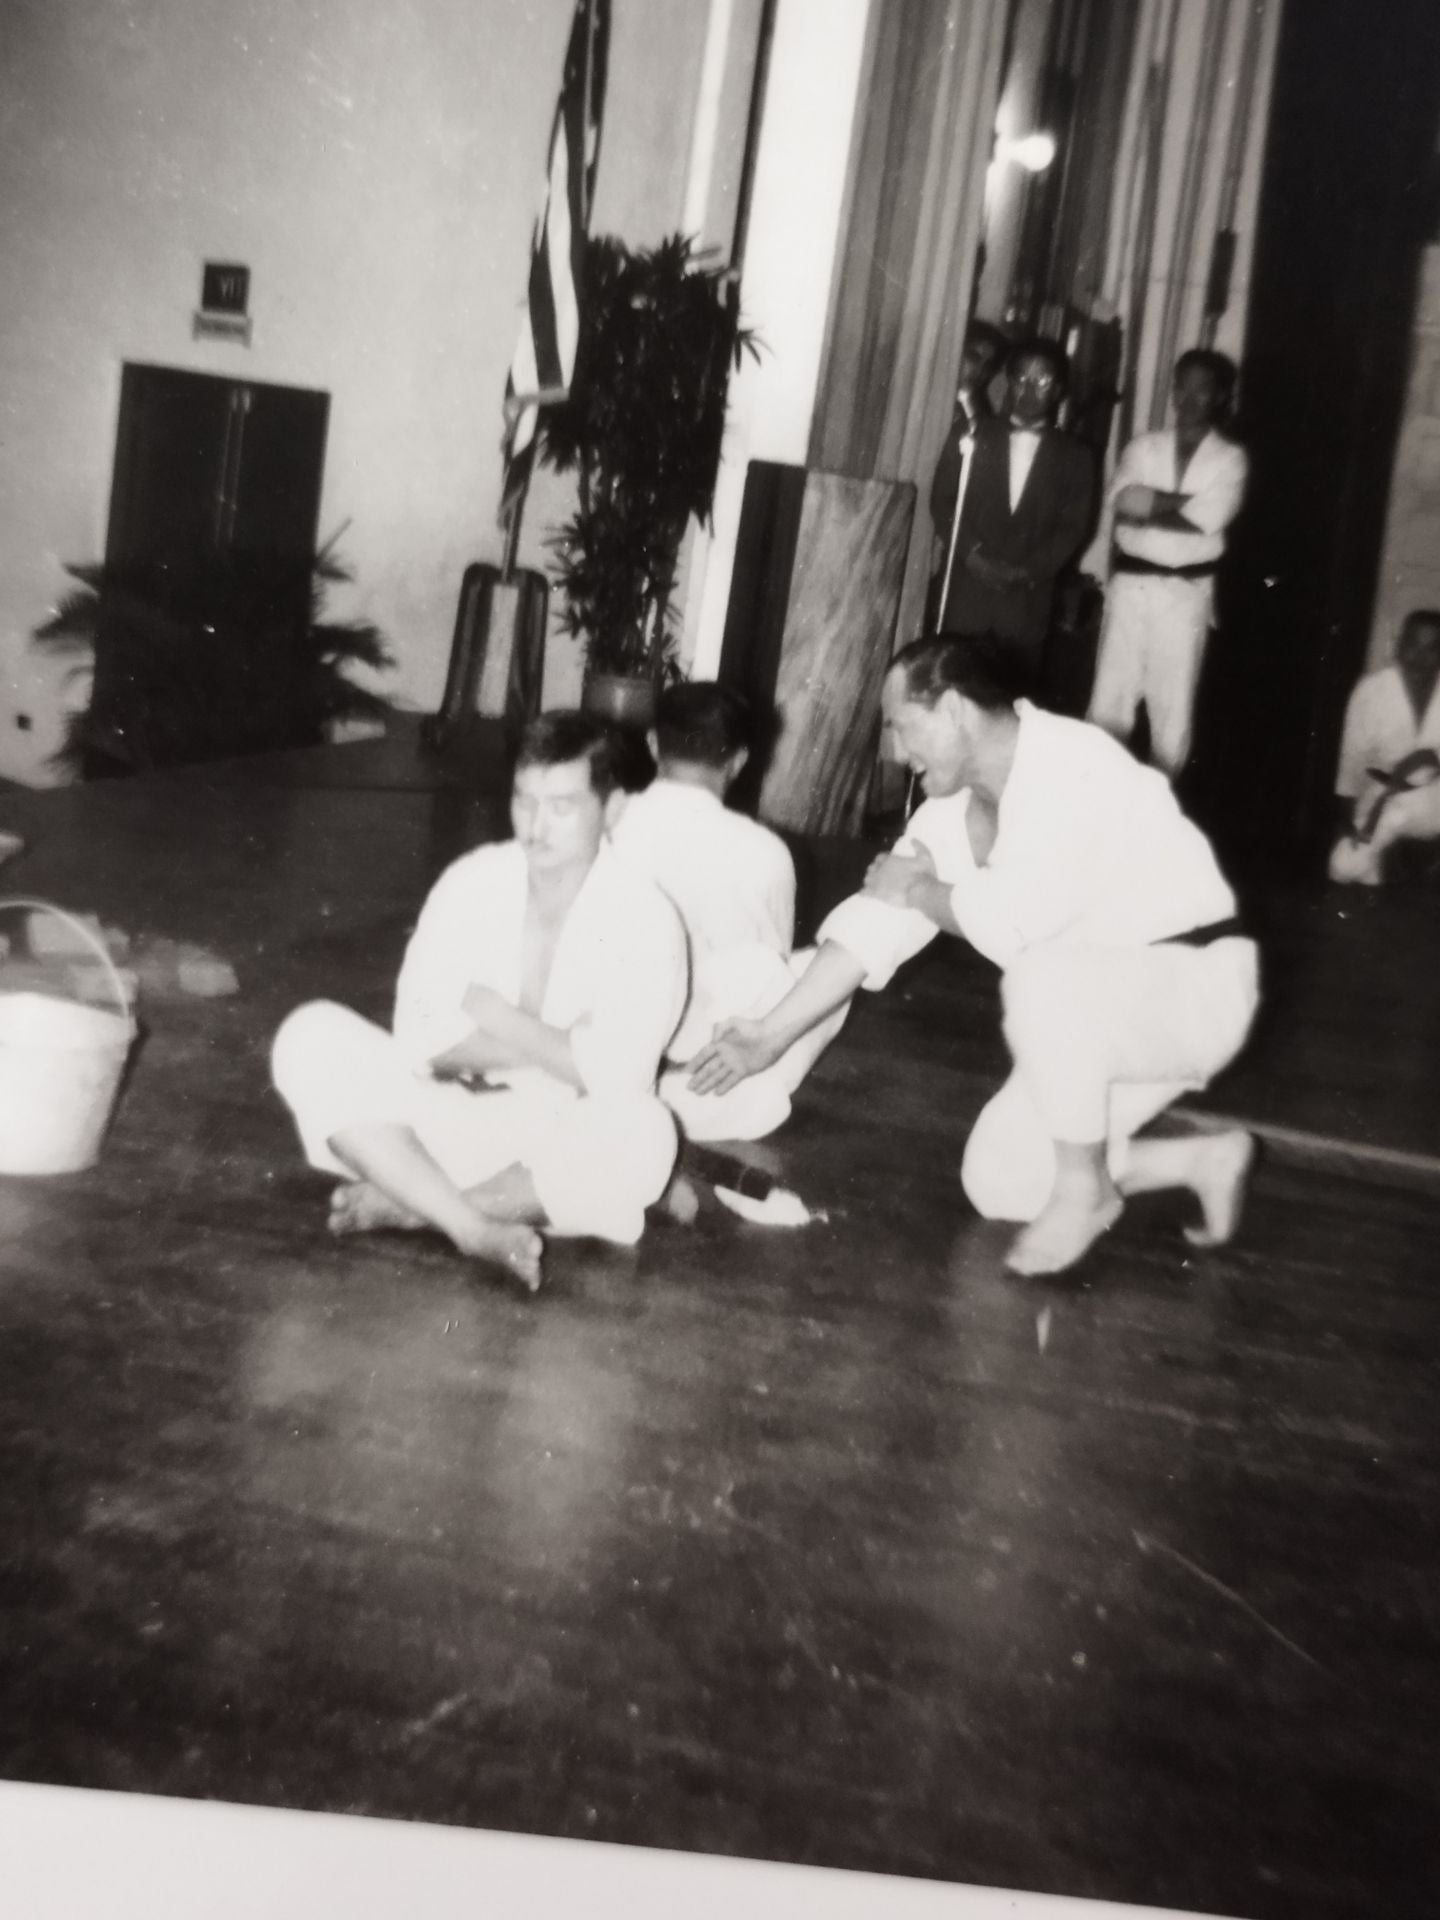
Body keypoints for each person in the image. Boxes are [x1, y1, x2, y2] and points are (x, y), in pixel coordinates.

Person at [688, 635, 1260, 1278]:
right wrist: (767, 1035)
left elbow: (1018, 934)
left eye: (903, 729)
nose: (897, 754)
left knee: (1041, 976)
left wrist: (926, 891)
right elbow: (876, 920)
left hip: (1193, 987)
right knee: (1000, 1180)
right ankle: (1200, 1161)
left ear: (955, 710)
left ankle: (1085, 1191)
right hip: (1096, 1022)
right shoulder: (954, 809)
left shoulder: (1073, 762)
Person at [271, 713, 687, 1291]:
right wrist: (563, 1048)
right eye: (524, 801)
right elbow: (418, 1035)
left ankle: (414, 1208)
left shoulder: (646, 918)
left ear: (612, 809)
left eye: (562, 806)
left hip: (551, 1145)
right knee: (309, 1033)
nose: (536, 827)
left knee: (647, 1130)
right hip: (443, 1121)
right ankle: (470, 1226)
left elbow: (618, 1077)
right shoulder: (472, 881)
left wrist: (488, 1010)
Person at [610, 681, 849, 1140]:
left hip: (603, 1038)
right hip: (696, 1051)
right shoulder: (766, 851)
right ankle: (693, 1102)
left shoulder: (603, 821)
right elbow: (769, 969)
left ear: (654, 744)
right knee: (822, 973)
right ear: (739, 759)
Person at [1088, 348, 1247, 778]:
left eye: (1203, 389)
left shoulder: (1230, 458)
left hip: (1186, 595)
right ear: (1173, 390)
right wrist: (1187, 507)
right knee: (1109, 700)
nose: (1190, 398)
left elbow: (1212, 518)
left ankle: (1159, 811)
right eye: (1183, 387)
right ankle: (1097, 804)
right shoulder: (1143, 447)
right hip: (1131, 587)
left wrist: (1152, 504)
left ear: (1218, 396)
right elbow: (1122, 502)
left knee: (1172, 709)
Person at [929, 338, 1095, 687]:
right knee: (948, 688)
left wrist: (1027, 571)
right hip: (966, 595)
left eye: (1043, 380)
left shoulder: (1075, 455)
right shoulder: (972, 432)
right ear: (1008, 381)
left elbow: (1073, 527)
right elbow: (943, 501)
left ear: (1059, 390)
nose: (1029, 389)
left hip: (1025, 605)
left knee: (1010, 699)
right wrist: (972, 557)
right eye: (1021, 378)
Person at [1329, 608, 1440, 885]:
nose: (1419, 658)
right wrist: (1348, 820)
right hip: (1384, 796)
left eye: (1431, 649)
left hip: (1435, 800)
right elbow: (1351, 759)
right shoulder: (1372, 690)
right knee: (1344, 867)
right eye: (1412, 645)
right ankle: (1369, 873)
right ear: (1399, 645)